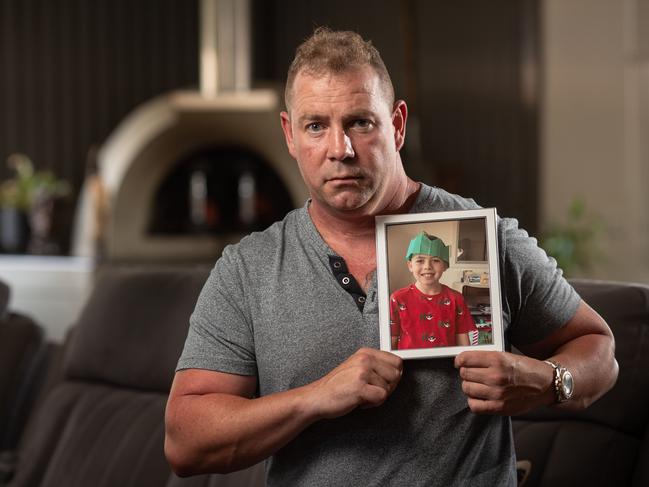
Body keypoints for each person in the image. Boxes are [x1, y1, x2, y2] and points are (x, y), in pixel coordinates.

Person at [164, 27, 618, 486]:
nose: (339, 150)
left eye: (360, 122)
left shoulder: (480, 237)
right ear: (289, 134)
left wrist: (544, 379)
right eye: (316, 126)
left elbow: (599, 351)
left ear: (397, 125)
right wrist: (315, 398)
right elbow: (185, 443)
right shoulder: (250, 269)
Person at [390, 232, 477, 349]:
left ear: (445, 266)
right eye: (420, 261)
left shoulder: (456, 299)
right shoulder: (397, 299)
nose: (427, 266)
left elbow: (462, 338)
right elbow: (392, 339)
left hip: (446, 363)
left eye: (435, 260)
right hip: (409, 365)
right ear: (410, 265)